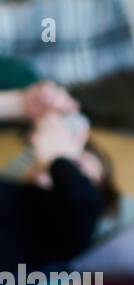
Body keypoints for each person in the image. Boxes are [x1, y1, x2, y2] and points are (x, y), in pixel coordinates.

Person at [0, 76, 119, 273]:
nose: (69, 169)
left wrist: (57, 157)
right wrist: (18, 104)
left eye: (79, 171)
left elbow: (82, 202)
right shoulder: (12, 190)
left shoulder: (64, 234)